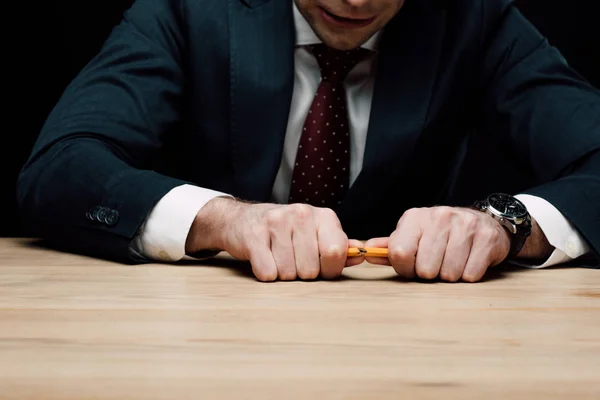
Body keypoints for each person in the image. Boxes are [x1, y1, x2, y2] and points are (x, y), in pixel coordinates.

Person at [17, 0, 600, 282]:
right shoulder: (189, 8)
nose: (356, 2)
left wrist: (506, 222)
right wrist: (227, 221)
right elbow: (61, 166)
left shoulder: (474, 18)